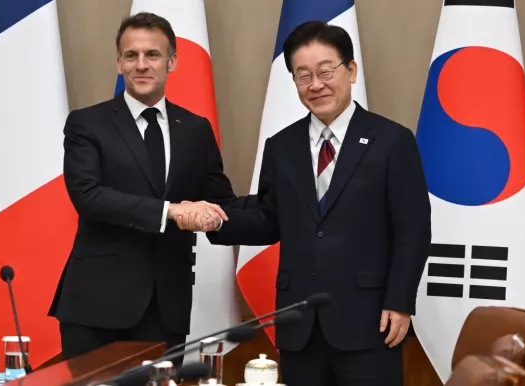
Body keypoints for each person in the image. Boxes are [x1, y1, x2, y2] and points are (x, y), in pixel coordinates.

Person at [181, 20, 431, 386]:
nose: (316, 84)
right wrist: (218, 221)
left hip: (370, 320)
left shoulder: (392, 141)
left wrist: (401, 300)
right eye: (303, 75)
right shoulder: (281, 146)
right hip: (299, 322)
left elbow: (413, 229)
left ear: (351, 71)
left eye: (325, 71)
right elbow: (269, 218)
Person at [49, 12, 234, 361]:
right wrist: (172, 211)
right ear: (119, 63)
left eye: (152, 55)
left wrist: (275, 211)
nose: (141, 65)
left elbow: (221, 202)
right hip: (96, 309)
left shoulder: (195, 129)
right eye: (131, 56)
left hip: (166, 308)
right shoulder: (87, 123)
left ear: (172, 61)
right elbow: (88, 196)